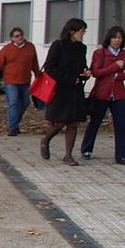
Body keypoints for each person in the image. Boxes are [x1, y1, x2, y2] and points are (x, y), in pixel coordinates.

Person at [39, 17, 91, 166]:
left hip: (76, 90)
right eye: (81, 31)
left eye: (84, 31)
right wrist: (68, 79)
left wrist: (85, 73)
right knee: (59, 121)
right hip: (61, 89)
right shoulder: (59, 45)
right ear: (72, 31)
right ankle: (46, 140)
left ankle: (68, 155)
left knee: (73, 123)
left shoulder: (82, 48)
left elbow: (82, 65)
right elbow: (50, 67)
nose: (83, 34)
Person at [79, 25, 125, 164]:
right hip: (101, 93)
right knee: (95, 122)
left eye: (120, 37)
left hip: (119, 94)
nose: (117, 40)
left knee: (121, 124)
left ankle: (121, 154)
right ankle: (86, 149)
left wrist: (115, 75)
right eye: (114, 37)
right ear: (109, 38)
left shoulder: (123, 54)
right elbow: (97, 72)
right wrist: (115, 67)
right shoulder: (100, 53)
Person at [0, 27, 41, 135]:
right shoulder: (6, 49)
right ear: (12, 38)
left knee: (25, 103)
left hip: (25, 80)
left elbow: (34, 62)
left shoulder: (30, 47)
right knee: (14, 103)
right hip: (11, 81)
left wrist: (38, 75)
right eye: (17, 36)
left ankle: (15, 122)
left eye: (21, 35)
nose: (20, 37)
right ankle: (13, 127)